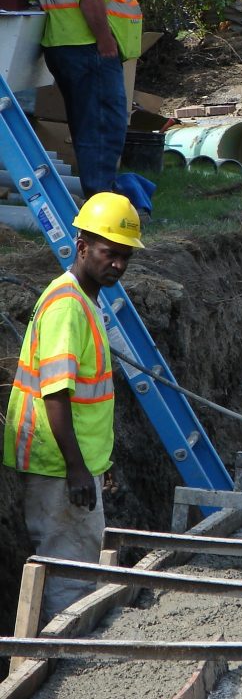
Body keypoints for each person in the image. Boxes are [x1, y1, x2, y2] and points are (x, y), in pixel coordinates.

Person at [3, 192, 144, 621]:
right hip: (57, 464)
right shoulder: (68, 306)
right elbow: (57, 394)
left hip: (71, 460)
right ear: (82, 246)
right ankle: (61, 659)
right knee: (70, 570)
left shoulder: (85, 299)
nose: (116, 264)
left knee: (74, 561)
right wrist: (77, 468)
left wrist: (97, 462)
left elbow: (86, 397)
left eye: (124, 256)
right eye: (108, 253)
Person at [34, 0, 142, 199]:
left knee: (88, 126)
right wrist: (104, 38)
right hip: (87, 44)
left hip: (63, 43)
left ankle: (99, 196)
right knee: (104, 127)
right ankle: (102, 201)